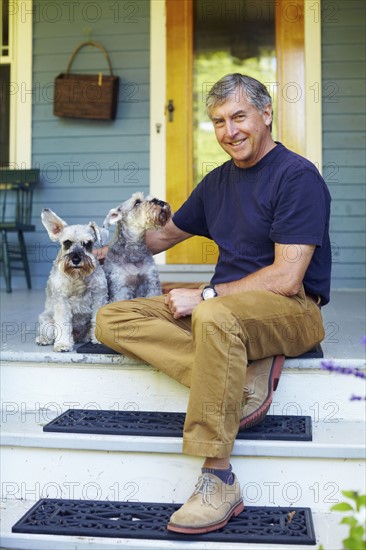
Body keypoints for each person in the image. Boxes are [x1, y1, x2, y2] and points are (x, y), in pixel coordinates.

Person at [96, 73, 331, 535]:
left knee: (212, 313)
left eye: (239, 117)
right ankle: (236, 379)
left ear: (266, 115)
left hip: (292, 310)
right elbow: (164, 235)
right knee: (112, 317)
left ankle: (218, 478)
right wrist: (104, 248)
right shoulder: (217, 181)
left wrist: (205, 295)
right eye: (219, 121)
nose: (230, 131)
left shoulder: (297, 177)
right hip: (223, 314)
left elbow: (286, 277)